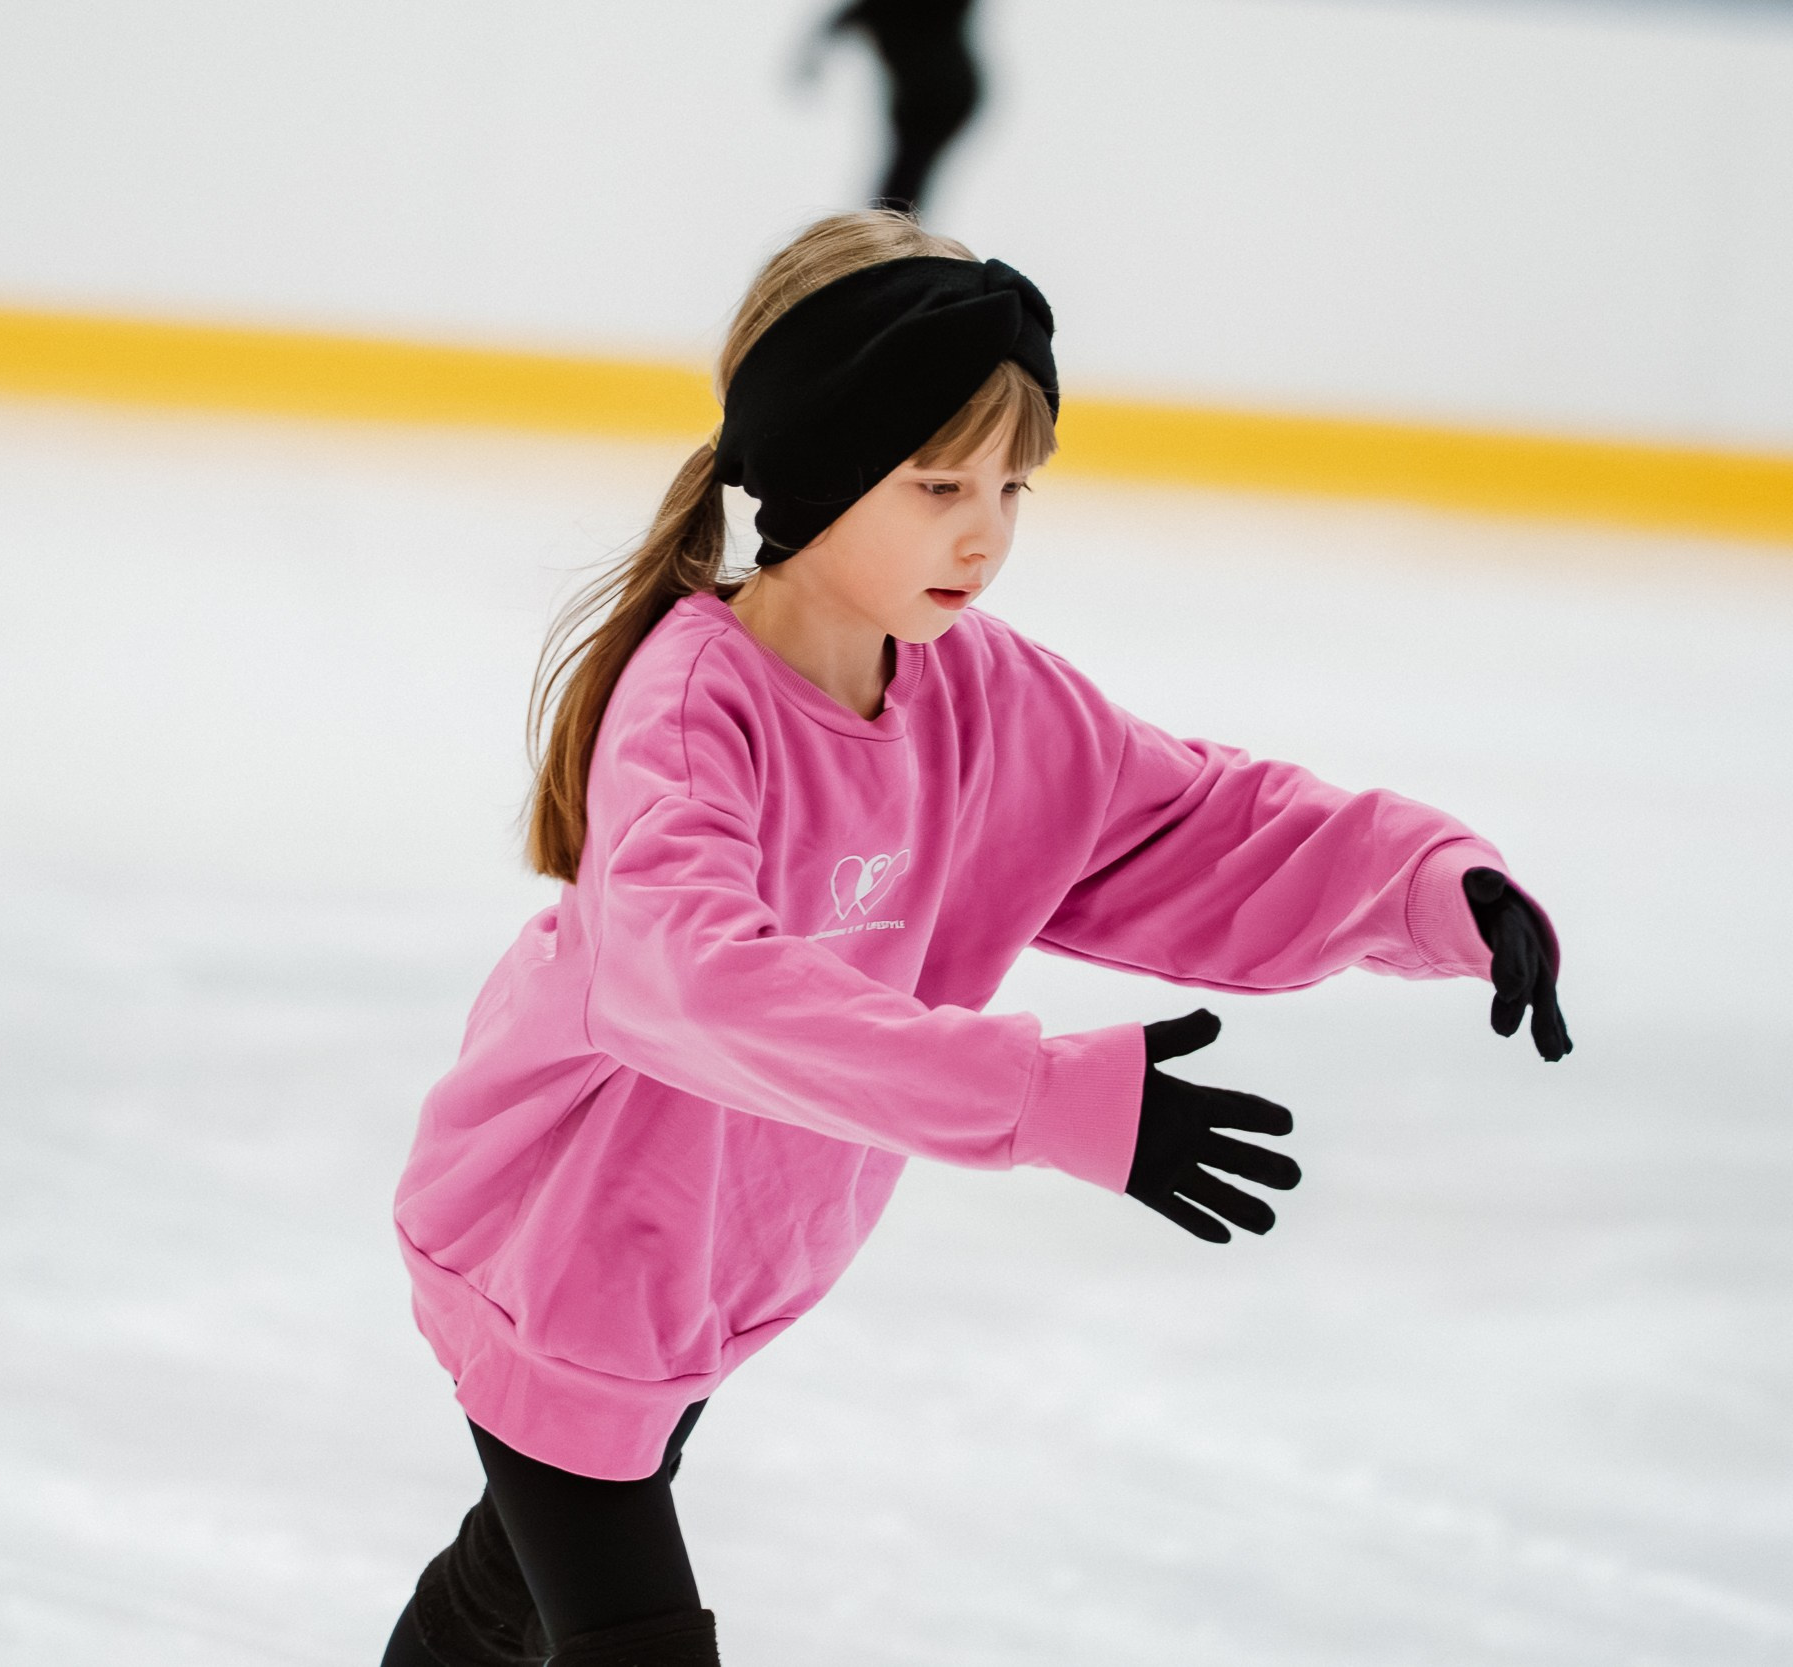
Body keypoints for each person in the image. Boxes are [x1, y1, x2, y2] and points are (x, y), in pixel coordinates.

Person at [380, 210, 1571, 1667]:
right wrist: (1044, 1099)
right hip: (567, 1249)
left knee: (506, 1591)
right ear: (816, 471)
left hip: (712, 1263)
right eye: (939, 479)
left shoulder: (979, 699)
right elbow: (690, 978)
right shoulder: (697, 707)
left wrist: (1431, 885)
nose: (984, 529)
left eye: (1013, 482)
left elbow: (1188, 823)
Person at [813, 0, 982, 215]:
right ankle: (886, 233)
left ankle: (886, 234)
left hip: (940, 96)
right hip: (921, 99)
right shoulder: (873, 8)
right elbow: (841, 23)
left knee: (906, 177)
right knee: (905, 177)